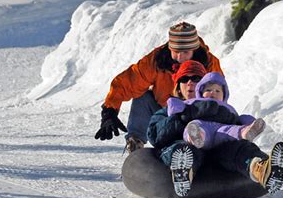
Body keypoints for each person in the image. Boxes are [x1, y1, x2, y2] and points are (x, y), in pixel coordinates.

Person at [147, 61, 283, 197]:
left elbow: (231, 130)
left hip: (220, 155)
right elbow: (155, 136)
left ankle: (260, 169)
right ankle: (183, 172)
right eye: (185, 79)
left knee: (239, 148)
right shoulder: (170, 109)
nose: (190, 82)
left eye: (196, 78)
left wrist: (240, 124)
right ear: (178, 87)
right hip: (189, 149)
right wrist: (181, 117)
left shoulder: (222, 108)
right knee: (184, 149)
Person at [94, 22, 223, 153]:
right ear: (169, 48)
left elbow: (218, 94)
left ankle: (203, 147)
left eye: (185, 52)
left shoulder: (209, 64)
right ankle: (135, 144)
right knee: (143, 97)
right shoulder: (157, 60)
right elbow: (127, 82)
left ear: (194, 50)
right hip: (165, 113)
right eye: (176, 51)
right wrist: (109, 111)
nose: (180, 58)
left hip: (198, 116)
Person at [166, 72, 266, 150]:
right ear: (200, 93)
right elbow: (179, 107)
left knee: (231, 130)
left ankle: (245, 133)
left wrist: (248, 122)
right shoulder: (194, 101)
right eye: (208, 90)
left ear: (224, 95)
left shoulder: (228, 107)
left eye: (218, 91)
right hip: (202, 124)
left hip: (221, 129)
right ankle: (196, 137)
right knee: (194, 125)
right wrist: (174, 104)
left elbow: (238, 119)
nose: (213, 92)